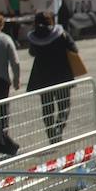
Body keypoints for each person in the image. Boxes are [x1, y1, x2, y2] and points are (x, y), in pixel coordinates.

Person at [26, 11, 79, 144]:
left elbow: (32, 53)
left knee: (47, 107)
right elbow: (74, 49)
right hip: (62, 74)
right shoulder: (61, 34)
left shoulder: (34, 37)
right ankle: (59, 127)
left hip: (42, 77)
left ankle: (50, 132)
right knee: (64, 105)